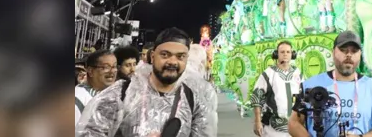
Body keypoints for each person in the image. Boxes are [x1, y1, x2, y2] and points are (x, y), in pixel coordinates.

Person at [76, 27, 217, 136]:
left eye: (180, 56)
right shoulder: (121, 94)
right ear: (153, 56)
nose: (172, 62)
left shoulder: (193, 101)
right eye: (165, 54)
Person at [289, 31, 372, 137]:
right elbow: (294, 122)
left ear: (360, 54)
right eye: (343, 50)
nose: (348, 55)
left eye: (354, 51)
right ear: (333, 52)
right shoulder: (311, 85)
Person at [252, 41, 303, 136]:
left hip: (295, 126)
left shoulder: (298, 73)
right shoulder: (268, 74)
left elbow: (304, 95)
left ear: (292, 54)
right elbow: (257, 98)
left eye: (288, 52)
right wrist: (257, 121)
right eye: (282, 52)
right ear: (276, 54)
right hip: (273, 129)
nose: (285, 54)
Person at [76, 49, 118, 126]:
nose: (112, 71)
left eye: (114, 66)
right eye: (106, 67)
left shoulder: (113, 97)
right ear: (91, 71)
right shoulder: (78, 98)